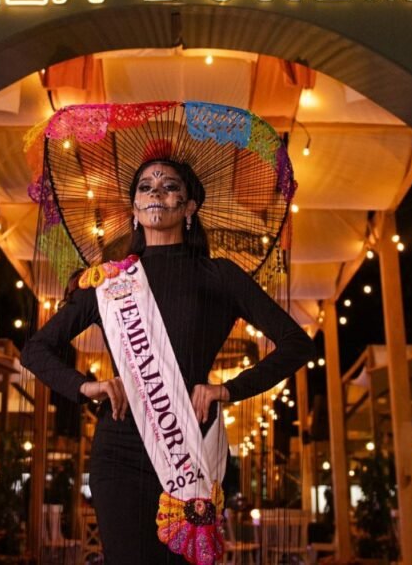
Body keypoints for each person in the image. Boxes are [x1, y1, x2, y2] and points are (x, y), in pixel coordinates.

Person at [22, 152, 314, 565]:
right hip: (120, 448)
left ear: (189, 206)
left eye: (169, 186)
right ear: (134, 208)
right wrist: (87, 386)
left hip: (189, 446)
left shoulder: (220, 275)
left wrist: (228, 390)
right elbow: (35, 349)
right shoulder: (111, 282)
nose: (156, 192)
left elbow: (297, 344)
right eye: (146, 187)